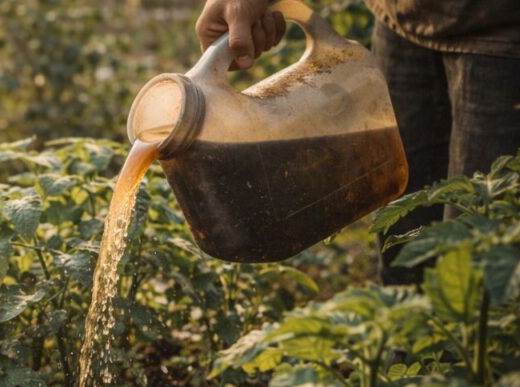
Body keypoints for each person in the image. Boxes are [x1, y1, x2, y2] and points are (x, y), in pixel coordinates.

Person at [195, 0, 520, 285]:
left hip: (501, 30)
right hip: (404, 15)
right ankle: (410, 351)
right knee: (404, 246)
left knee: (481, 258)